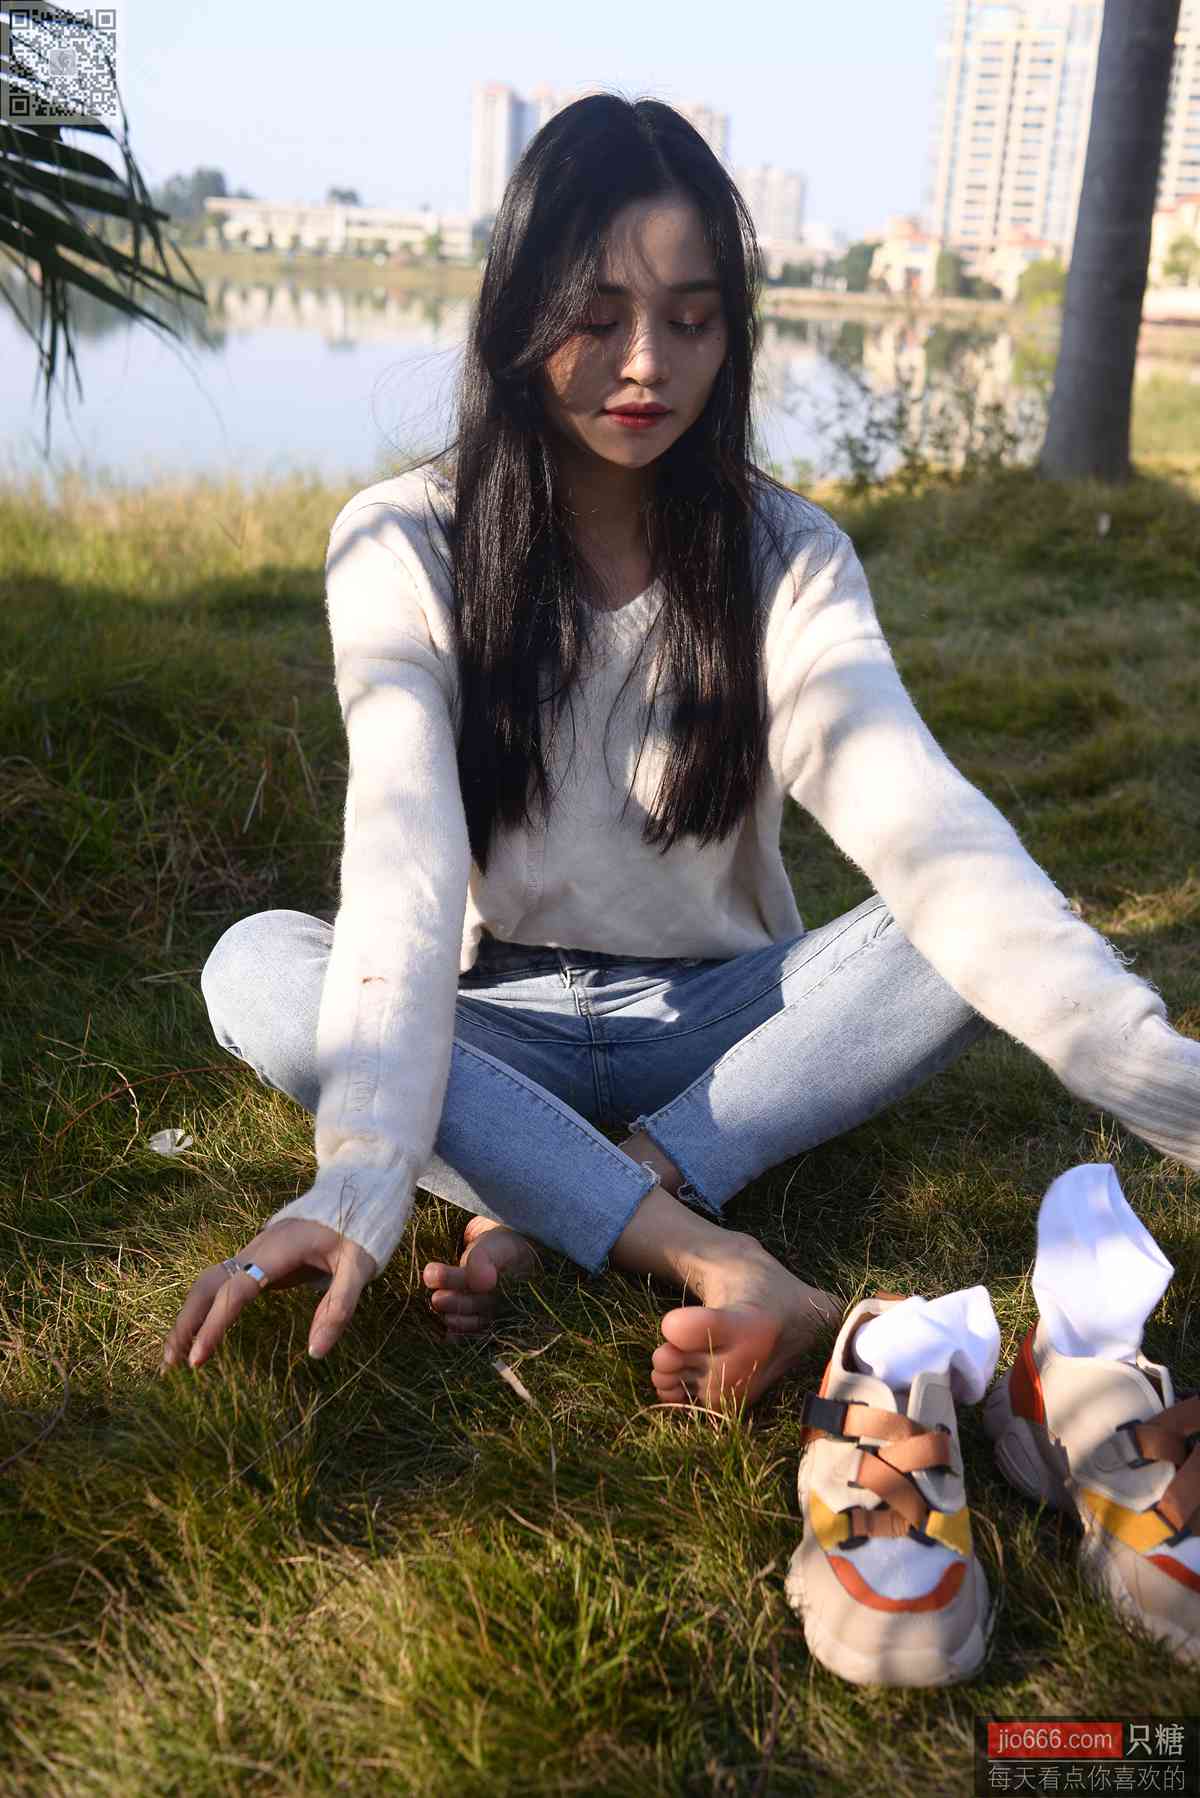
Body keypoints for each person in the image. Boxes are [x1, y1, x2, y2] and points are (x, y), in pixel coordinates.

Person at [161, 95, 1200, 1409]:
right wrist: (360, 1169)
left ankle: (579, 1187)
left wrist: (1168, 1088)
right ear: (519, 312)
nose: (646, 363)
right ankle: (703, 1245)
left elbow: (922, 824)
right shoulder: (403, 538)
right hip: (500, 1017)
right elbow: (405, 852)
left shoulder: (787, 555)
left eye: (692, 319)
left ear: (732, 334)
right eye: (597, 317)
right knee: (257, 963)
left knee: (961, 917)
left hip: (728, 1027)